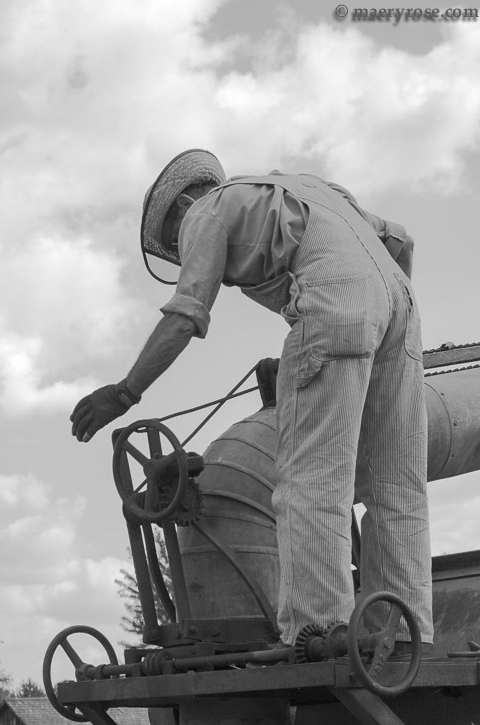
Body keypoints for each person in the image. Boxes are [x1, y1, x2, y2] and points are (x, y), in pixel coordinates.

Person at [70, 149, 433, 651]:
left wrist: (125, 391)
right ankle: (408, 634)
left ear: (181, 206)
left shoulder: (204, 212)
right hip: (401, 307)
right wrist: (380, 323)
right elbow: (401, 240)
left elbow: (185, 314)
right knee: (398, 485)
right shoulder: (309, 188)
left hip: (338, 303)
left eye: (175, 244)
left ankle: (322, 629)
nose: (182, 248)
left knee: (311, 478)